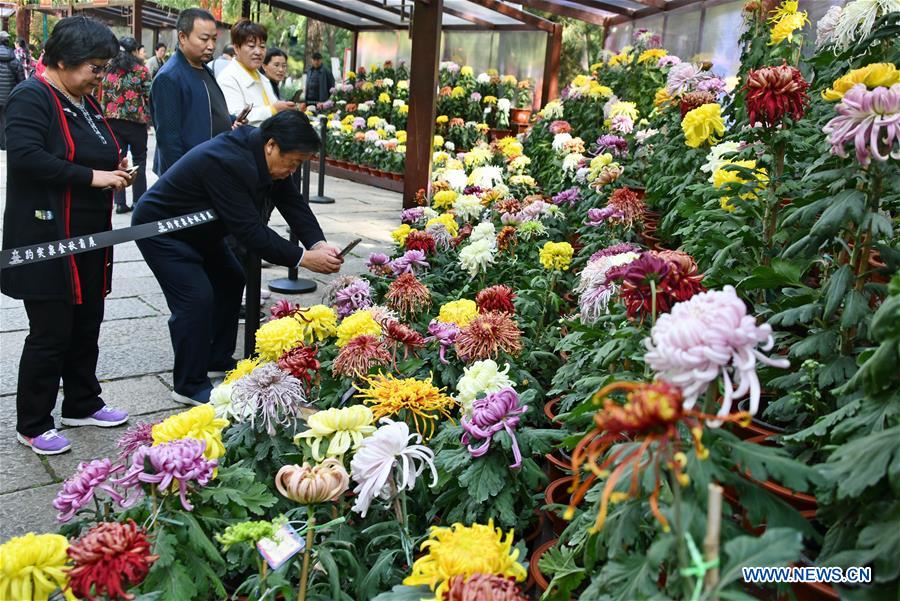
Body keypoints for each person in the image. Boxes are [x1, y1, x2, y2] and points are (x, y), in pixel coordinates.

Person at [132, 111, 343, 405]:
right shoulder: (228, 161)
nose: (292, 170)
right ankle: (189, 384)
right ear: (272, 145)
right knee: (195, 298)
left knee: (231, 278)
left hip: (202, 231)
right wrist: (303, 258)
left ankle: (216, 359)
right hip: (163, 230)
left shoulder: (267, 157)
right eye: (292, 162)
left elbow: (291, 201)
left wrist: (318, 244)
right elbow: (251, 233)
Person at [1, 17, 134, 455]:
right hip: (47, 232)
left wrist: (114, 173)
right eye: (94, 68)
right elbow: (24, 158)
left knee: (87, 321)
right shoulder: (32, 96)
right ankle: (34, 422)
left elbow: (96, 151)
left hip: (89, 231)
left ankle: (82, 401)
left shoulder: (81, 98)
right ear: (61, 60)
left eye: (103, 68)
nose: (100, 77)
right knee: (51, 330)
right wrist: (92, 177)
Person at [150, 9, 236, 175]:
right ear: (182, 37)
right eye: (204, 39)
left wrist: (230, 119)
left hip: (211, 166)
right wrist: (181, 180)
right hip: (189, 175)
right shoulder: (169, 77)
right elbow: (168, 140)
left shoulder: (204, 68)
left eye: (213, 39)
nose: (211, 46)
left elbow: (203, 110)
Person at [99, 36, 151, 214]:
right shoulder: (141, 71)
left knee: (118, 161)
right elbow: (149, 95)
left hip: (112, 122)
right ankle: (139, 201)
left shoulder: (108, 69)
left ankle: (120, 203)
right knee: (139, 161)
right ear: (135, 51)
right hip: (135, 122)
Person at [217, 20, 294, 127]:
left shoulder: (261, 77)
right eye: (251, 46)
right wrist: (273, 109)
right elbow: (236, 118)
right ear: (236, 48)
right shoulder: (228, 78)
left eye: (262, 46)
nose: (258, 52)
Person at [0, 31, 25, 150]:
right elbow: (21, 81)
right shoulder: (14, 60)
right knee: (5, 119)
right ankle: (4, 144)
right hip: (8, 96)